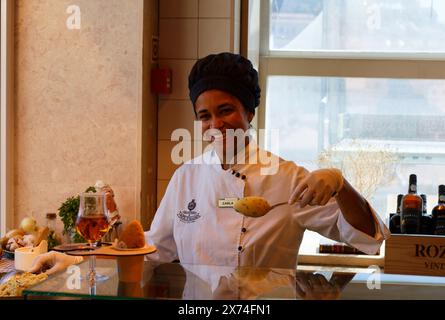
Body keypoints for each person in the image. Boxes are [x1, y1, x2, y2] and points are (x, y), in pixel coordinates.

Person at [29, 52, 390, 275]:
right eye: (204, 115)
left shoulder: (288, 178)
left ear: (249, 112)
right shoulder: (186, 177)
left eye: (226, 110)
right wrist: (76, 260)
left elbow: (364, 235)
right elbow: (153, 252)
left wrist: (341, 185)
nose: (216, 124)